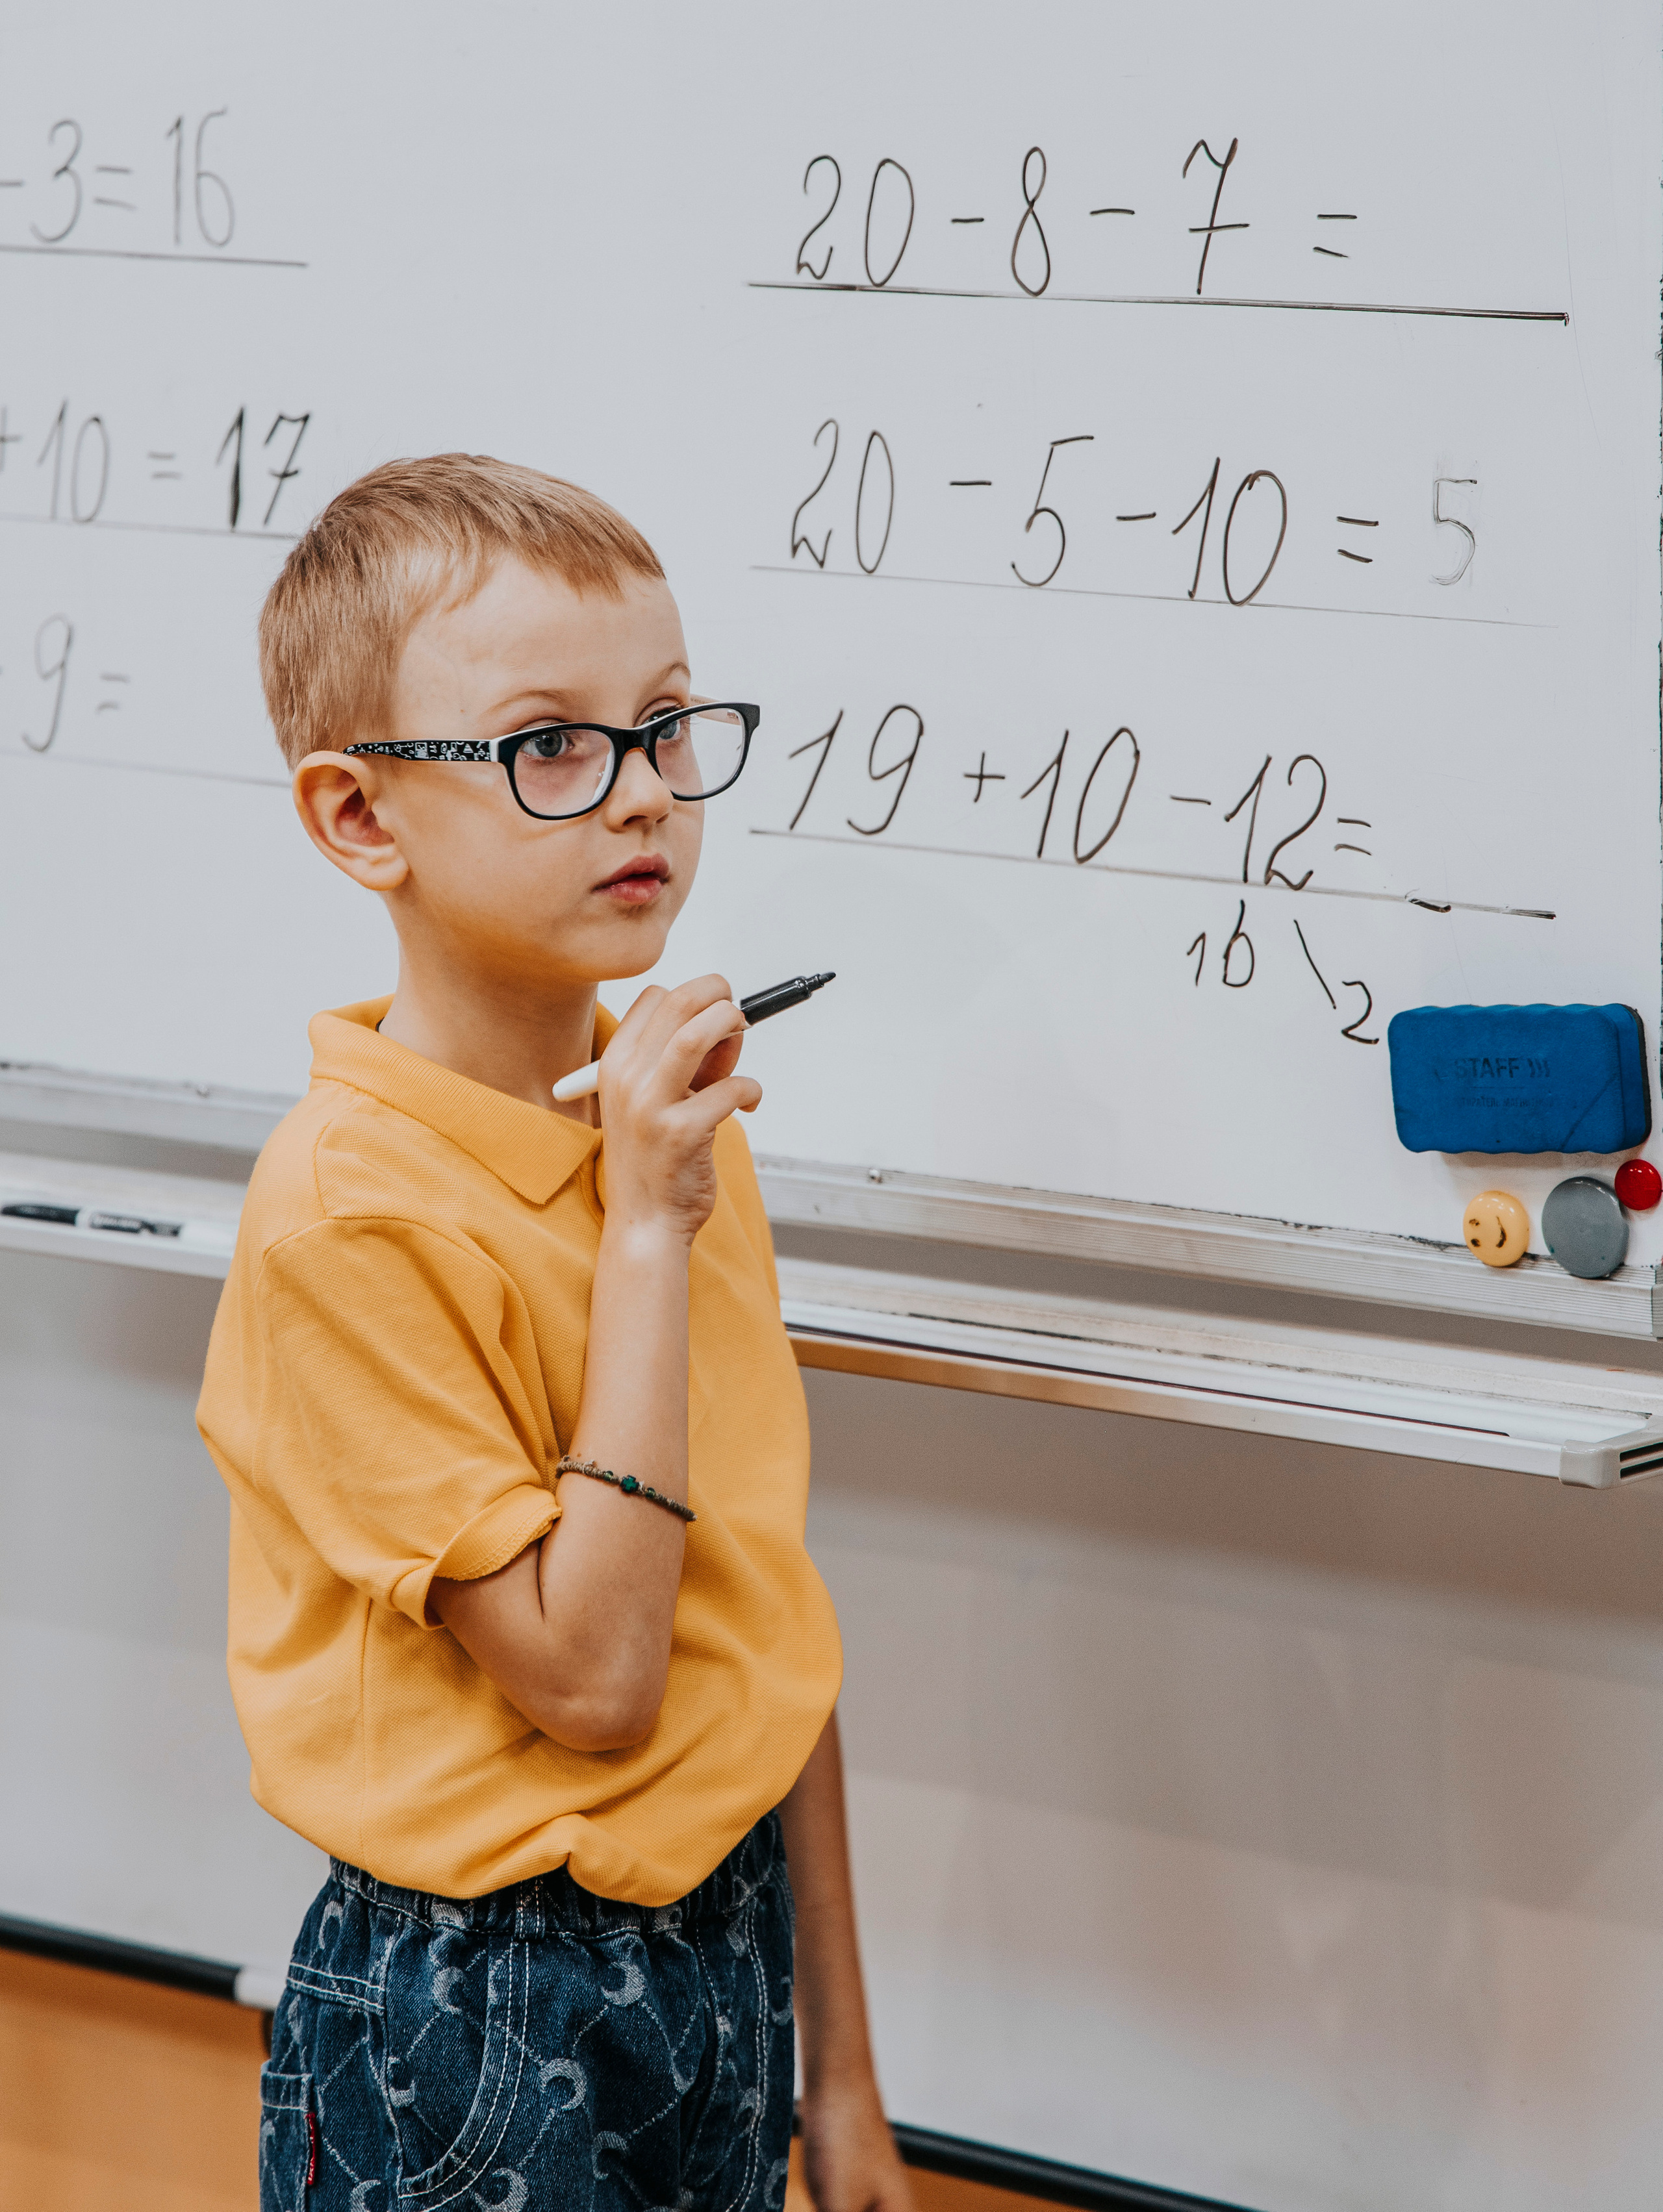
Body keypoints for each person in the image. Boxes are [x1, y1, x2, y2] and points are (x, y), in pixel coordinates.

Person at [197, 454, 911, 2212]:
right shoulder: (348, 1216)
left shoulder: (664, 1127)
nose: (642, 799)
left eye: (667, 728)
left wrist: (848, 2085)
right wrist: (646, 1228)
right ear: (363, 819)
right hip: (475, 2014)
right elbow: (594, 1675)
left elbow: (755, 1618)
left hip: (718, 1955)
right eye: (550, 747)